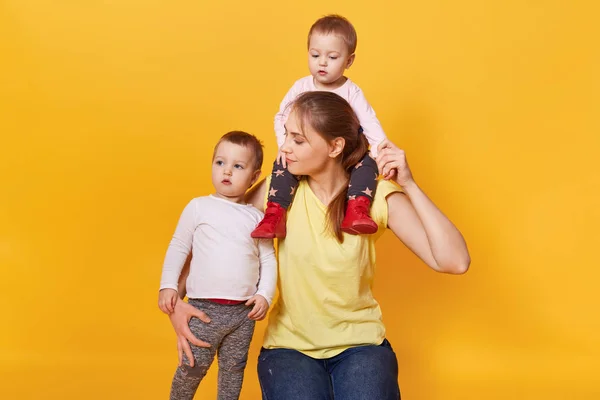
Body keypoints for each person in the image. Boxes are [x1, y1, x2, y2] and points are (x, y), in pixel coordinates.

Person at [169, 92, 470, 399]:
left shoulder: (374, 195)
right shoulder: (278, 191)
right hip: (289, 349)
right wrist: (175, 304)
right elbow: (218, 233)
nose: (284, 147)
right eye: (287, 135)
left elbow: (454, 261)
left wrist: (410, 184)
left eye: (298, 140)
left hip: (361, 346)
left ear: (335, 146)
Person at [158, 131, 277, 400]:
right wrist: (168, 286)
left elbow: (268, 259)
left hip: (242, 313)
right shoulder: (199, 207)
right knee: (191, 366)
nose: (227, 171)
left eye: (238, 166)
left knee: (233, 370)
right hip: (203, 310)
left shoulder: (257, 217)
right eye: (220, 163)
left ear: (254, 176)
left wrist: (264, 295)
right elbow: (179, 246)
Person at [251, 14, 389, 239]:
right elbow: (281, 117)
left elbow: (369, 121)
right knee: (282, 168)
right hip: (310, 156)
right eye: (315, 55)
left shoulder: (351, 92)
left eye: (332, 57)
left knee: (368, 164)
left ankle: (357, 209)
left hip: (346, 154)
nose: (322, 62)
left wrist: (381, 149)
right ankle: (274, 216)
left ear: (349, 61)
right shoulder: (301, 87)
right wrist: (285, 145)